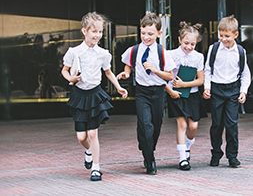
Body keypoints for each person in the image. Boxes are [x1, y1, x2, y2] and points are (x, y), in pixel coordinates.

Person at [61, 12, 128, 181]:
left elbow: (108, 72)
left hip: (95, 94)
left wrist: (119, 87)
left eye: (100, 32)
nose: (98, 35)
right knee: (81, 136)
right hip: (79, 95)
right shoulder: (74, 52)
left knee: (93, 133)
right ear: (84, 31)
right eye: (94, 31)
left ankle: (96, 169)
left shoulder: (103, 54)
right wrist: (70, 78)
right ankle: (88, 151)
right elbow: (64, 70)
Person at [117, 13, 175, 175]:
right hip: (142, 92)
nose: (146, 37)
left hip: (158, 92)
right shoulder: (134, 50)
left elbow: (170, 75)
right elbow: (128, 65)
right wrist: (126, 73)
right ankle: (150, 161)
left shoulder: (162, 52)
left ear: (159, 34)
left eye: (150, 34)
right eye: (143, 33)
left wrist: (156, 70)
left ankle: (147, 146)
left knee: (155, 127)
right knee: (146, 125)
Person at [203, 15, 251, 168]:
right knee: (217, 124)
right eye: (221, 35)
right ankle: (216, 153)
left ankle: (232, 156)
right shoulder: (214, 48)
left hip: (232, 90)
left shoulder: (240, 51)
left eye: (227, 36)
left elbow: (245, 74)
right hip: (216, 89)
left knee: (232, 125)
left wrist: (243, 91)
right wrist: (207, 87)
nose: (223, 39)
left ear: (235, 35)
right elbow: (207, 70)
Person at [165, 21, 207, 170]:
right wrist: (172, 89)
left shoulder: (198, 57)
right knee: (182, 124)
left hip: (193, 94)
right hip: (176, 94)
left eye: (192, 44)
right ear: (180, 40)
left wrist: (184, 85)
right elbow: (166, 76)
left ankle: (187, 145)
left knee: (193, 126)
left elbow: (201, 80)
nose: (189, 47)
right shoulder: (170, 55)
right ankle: (183, 158)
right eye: (186, 43)